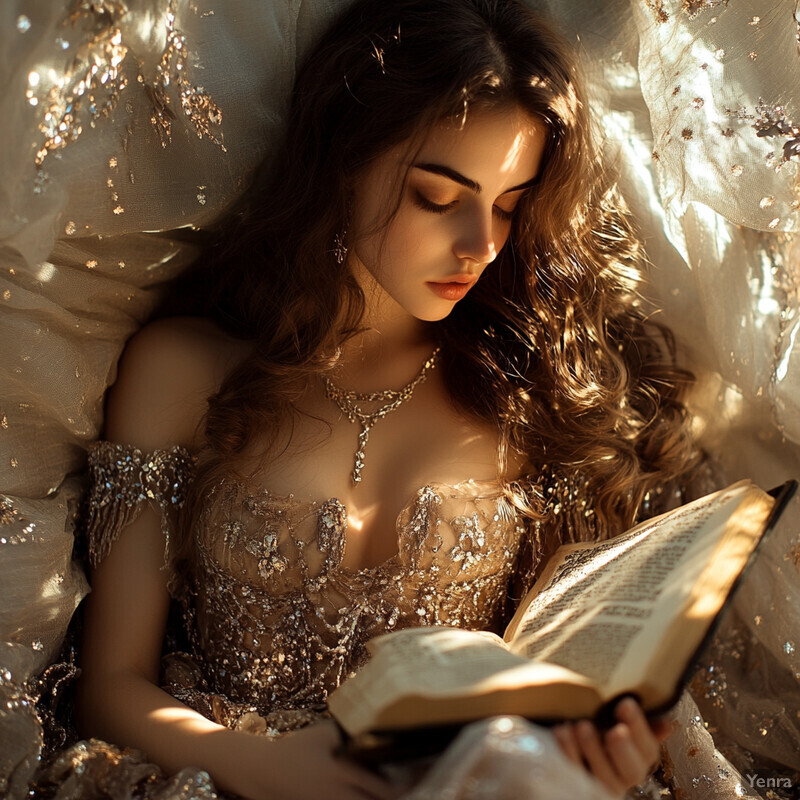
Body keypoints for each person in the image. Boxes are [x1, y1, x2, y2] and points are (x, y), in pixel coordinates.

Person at [72, 0, 697, 797]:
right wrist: (259, 764)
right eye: (439, 196)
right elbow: (110, 685)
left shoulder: (530, 396)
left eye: (509, 204)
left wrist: (598, 755)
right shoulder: (184, 370)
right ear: (345, 160)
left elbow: (559, 684)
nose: (480, 244)